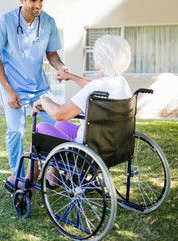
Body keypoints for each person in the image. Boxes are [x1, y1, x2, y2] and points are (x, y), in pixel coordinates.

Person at [0, 0, 68, 186]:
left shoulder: (48, 22)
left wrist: (61, 67)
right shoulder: (5, 22)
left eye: (41, 0)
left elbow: (52, 55)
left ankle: (54, 171)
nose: (38, 5)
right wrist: (8, 90)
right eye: (33, 1)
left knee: (58, 124)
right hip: (12, 86)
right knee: (16, 130)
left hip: (39, 87)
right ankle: (20, 176)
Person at [32, 34, 132, 188]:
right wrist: (70, 77)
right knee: (60, 125)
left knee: (42, 128)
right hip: (112, 148)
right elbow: (95, 86)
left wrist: (44, 101)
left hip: (86, 154)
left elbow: (60, 113)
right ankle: (53, 177)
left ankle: (30, 180)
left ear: (99, 62)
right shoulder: (121, 84)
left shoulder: (96, 87)